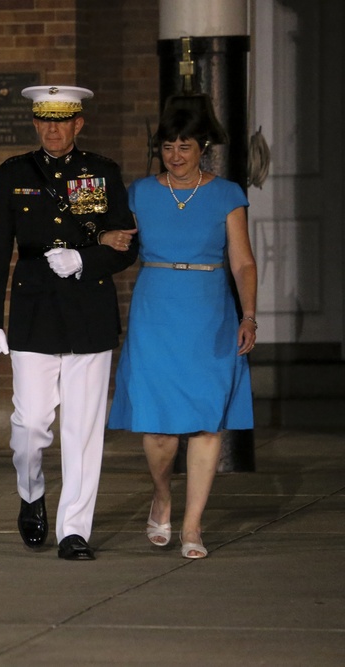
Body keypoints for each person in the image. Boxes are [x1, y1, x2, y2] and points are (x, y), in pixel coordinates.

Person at [0, 86, 138, 560]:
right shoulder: (14, 173)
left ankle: (74, 530)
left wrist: (86, 261)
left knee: (83, 430)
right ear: (35, 123)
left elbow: (128, 245)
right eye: (43, 120)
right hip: (33, 310)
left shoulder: (102, 172)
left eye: (62, 120)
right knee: (30, 424)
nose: (52, 129)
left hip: (88, 310)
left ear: (78, 124)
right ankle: (32, 493)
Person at [107, 104, 257, 560]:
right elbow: (115, 242)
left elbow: (243, 262)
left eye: (184, 146)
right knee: (157, 431)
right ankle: (162, 496)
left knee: (206, 424)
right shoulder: (140, 193)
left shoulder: (227, 194)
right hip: (156, 308)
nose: (175, 154)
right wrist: (100, 240)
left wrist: (248, 315)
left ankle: (191, 526)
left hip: (210, 311)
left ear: (202, 148)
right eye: (167, 146)